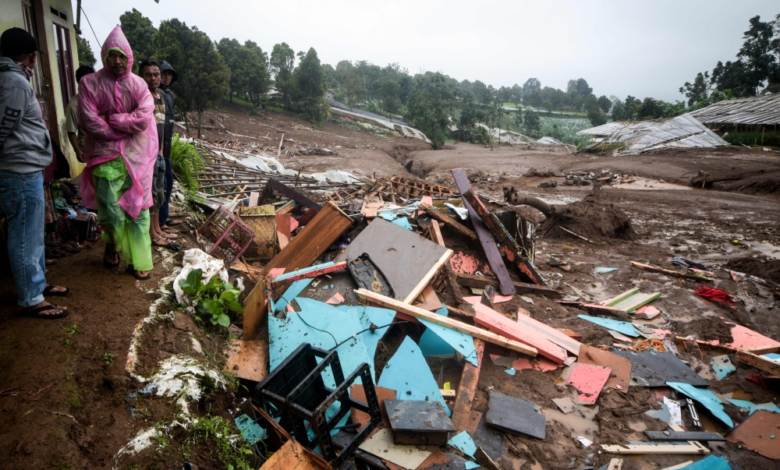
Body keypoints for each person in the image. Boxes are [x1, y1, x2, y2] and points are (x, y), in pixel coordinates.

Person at [0, 27, 69, 318]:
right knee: (25, 234)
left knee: (32, 230)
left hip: (25, 168)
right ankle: (31, 297)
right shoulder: (14, 82)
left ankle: (37, 283)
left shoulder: (11, 78)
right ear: (30, 55)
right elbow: (5, 125)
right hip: (19, 170)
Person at [78, 26, 157, 280]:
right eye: (112, 55)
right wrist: (123, 129)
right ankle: (112, 244)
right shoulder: (89, 83)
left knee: (138, 209)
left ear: (129, 57)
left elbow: (143, 119)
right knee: (110, 210)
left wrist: (111, 118)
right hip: (105, 155)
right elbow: (89, 122)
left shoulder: (139, 85)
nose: (117, 61)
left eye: (122, 55)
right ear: (104, 56)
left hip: (138, 156)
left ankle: (138, 259)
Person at [137, 59, 176, 247]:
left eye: (156, 74)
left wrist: (162, 149)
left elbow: (161, 125)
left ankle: (158, 228)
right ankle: (152, 233)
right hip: (147, 154)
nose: (153, 78)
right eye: (148, 75)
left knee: (159, 191)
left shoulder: (161, 95)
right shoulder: (142, 97)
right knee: (151, 193)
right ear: (141, 77)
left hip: (160, 152)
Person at [158, 60, 181, 231]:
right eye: (164, 73)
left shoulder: (170, 95)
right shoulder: (154, 95)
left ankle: (164, 217)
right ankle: (160, 222)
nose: (167, 77)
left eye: (169, 74)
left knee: (168, 183)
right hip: (156, 147)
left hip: (166, 147)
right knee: (161, 185)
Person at [65, 65, 95, 163]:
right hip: (88, 148)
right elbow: (71, 131)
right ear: (79, 82)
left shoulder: (101, 98)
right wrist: (77, 151)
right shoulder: (74, 105)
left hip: (105, 145)